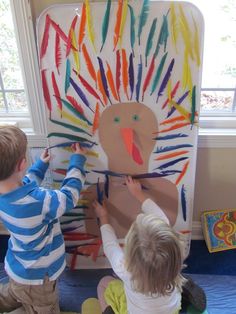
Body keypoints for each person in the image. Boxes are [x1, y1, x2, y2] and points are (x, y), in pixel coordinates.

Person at [0, 125, 87, 314]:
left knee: (15, 291)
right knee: (44, 307)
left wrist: (40, 167)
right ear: (22, 163)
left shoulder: (8, 194)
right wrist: (77, 162)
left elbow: (24, 184)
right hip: (39, 279)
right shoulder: (39, 202)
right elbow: (68, 197)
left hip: (17, 266)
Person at [93, 176, 186, 314]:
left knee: (104, 283)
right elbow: (162, 220)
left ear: (129, 254)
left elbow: (110, 246)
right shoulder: (173, 261)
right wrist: (139, 194)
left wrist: (103, 217)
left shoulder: (123, 268)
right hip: (171, 310)